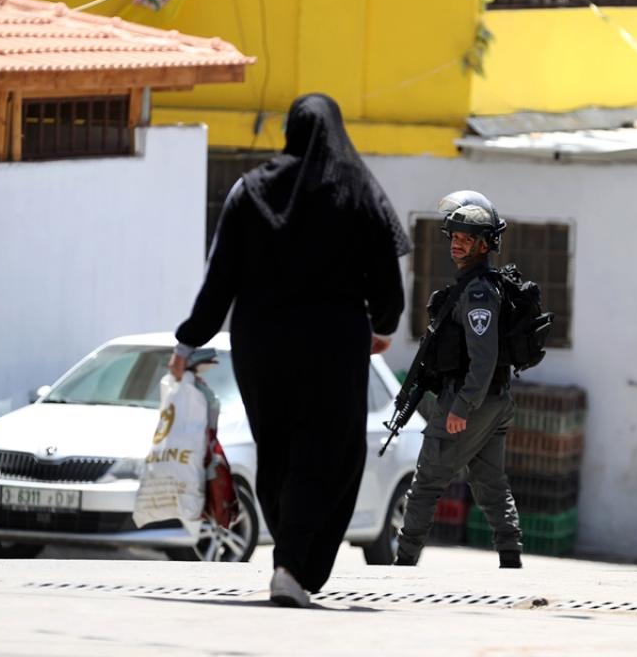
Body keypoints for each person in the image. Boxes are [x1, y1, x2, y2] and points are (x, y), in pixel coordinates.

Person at [168, 93, 409, 608]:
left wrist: (189, 340)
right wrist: (382, 326)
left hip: (261, 346)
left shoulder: (250, 190)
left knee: (277, 450)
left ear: (290, 131)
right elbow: (388, 282)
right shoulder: (359, 189)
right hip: (333, 346)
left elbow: (220, 280)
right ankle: (294, 566)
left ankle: (289, 561)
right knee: (330, 455)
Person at [394, 190, 523, 569]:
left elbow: (483, 359)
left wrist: (462, 407)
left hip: (471, 401)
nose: (457, 243)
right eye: (454, 236)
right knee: (489, 483)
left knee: (426, 483)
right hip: (492, 401)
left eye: (467, 238)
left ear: (485, 245)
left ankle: (403, 563)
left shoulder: (479, 292)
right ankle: (511, 558)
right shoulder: (474, 285)